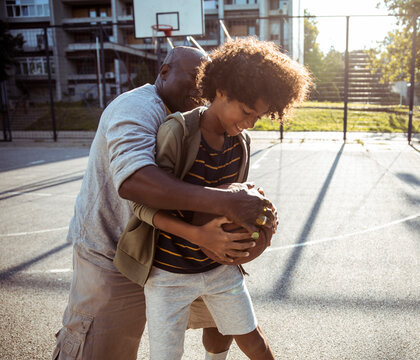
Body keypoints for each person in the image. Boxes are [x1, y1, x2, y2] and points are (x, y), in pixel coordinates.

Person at [52, 46, 277, 360]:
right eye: (194, 78)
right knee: (103, 351)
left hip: (187, 255)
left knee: (229, 324)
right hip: (117, 253)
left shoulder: (224, 132)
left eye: (206, 81)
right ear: (165, 71)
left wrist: (251, 216)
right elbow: (135, 182)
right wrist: (226, 203)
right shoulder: (138, 107)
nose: (201, 88)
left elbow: (229, 191)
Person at [114, 37, 311, 360]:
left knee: (255, 344)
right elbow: (142, 204)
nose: (249, 123)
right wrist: (197, 233)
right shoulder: (177, 132)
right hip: (169, 272)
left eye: (257, 117)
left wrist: (260, 219)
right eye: (246, 112)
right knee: (166, 356)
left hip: (218, 267)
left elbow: (233, 200)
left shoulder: (240, 142)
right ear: (220, 91)